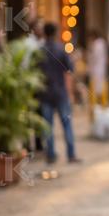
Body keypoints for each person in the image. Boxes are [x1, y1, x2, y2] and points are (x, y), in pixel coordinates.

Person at [38, 22, 79, 164]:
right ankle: (71, 154)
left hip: (45, 93)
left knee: (47, 126)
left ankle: (50, 154)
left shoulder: (40, 50)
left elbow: (35, 71)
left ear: (44, 33)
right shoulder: (61, 49)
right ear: (55, 33)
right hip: (60, 92)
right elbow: (70, 69)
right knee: (67, 124)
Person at [87, 29, 109, 108]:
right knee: (101, 88)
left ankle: (97, 106)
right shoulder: (101, 43)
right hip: (100, 69)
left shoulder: (97, 44)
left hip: (97, 70)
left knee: (97, 89)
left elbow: (94, 58)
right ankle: (101, 105)